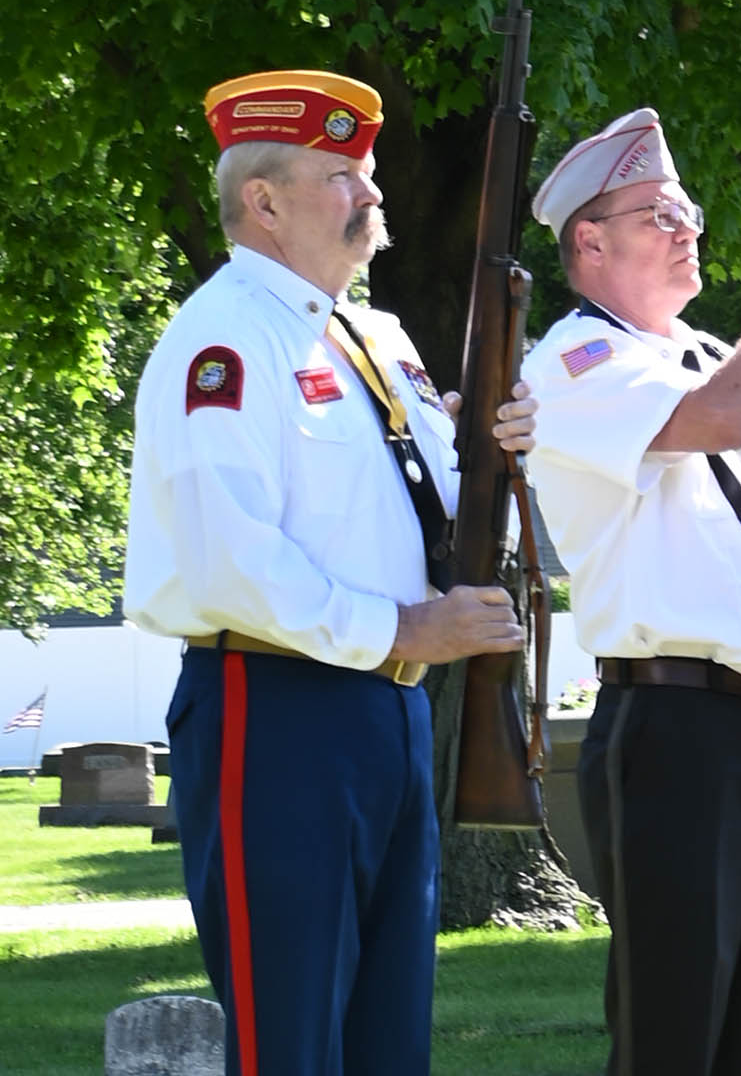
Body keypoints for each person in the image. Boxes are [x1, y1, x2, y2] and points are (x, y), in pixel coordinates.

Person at [124, 70, 536, 1075]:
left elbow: (440, 507)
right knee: (292, 1037)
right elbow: (232, 559)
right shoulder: (224, 340)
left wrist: (506, 448)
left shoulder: (375, 338)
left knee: (388, 1040)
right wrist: (402, 632)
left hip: (387, 711)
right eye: (342, 175)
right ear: (261, 201)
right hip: (275, 706)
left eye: (369, 171)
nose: (372, 194)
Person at [518, 107, 741, 1075]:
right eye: (659, 214)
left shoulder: (711, 354)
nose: (689, 229)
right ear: (588, 241)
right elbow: (722, 420)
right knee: (674, 1038)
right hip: (673, 726)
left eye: (688, 211)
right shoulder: (574, 360)